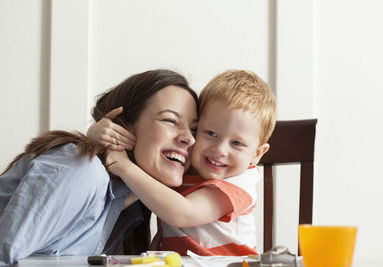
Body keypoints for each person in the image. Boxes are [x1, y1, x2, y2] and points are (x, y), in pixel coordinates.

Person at [0, 69, 199, 266]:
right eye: (170, 120)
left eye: (194, 129)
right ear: (122, 125)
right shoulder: (83, 170)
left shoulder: (132, 207)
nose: (189, 138)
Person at [96, 70, 277, 256]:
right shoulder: (187, 168)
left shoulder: (240, 182)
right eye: (210, 134)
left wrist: (123, 166)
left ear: (257, 154)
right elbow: (114, 205)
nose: (220, 150)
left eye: (237, 143)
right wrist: (97, 135)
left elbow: (183, 213)